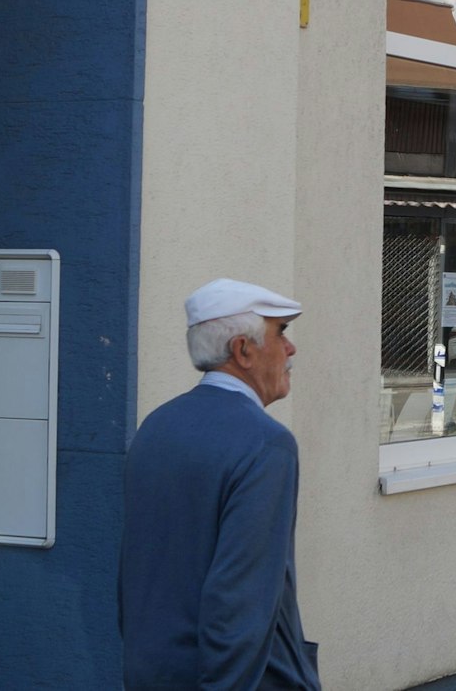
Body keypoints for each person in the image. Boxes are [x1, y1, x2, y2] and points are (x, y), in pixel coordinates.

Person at [121, 278, 321, 690]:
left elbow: (137, 573)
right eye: (280, 333)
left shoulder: (156, 427)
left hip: (151, 674)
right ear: (243, 350)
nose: (290, 348)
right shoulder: (266, 443)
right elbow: (240, 599)